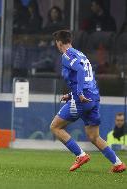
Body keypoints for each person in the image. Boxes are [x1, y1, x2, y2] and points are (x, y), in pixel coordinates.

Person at [50, 30, 125, 173]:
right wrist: (72, 94)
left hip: (82, 99)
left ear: (59, 43)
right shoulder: (81, 54)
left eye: (56, 43)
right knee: (94, 136)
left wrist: (77, 94)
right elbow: (87, 79)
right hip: (93, 98)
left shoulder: (67, 55)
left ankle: (80, 155)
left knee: (55, 127)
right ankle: (118, 163)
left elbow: (79, 70)